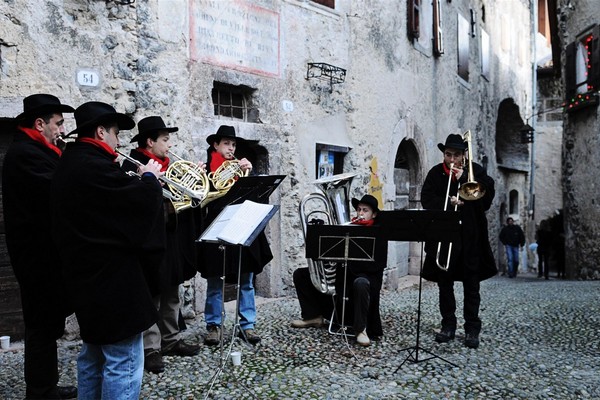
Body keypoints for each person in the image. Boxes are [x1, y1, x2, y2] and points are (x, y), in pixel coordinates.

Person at [51, 102, 164, 399]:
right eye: (115, 134)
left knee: (93, 356)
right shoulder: (92, 166)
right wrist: (150, 178)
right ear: (101, 132)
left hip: (86, 278)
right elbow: (133, 206)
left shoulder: (73, 161)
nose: (118, 142)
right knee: (124, 359)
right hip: (111, 281)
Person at [2, 94, 77, 399]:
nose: (61, 129)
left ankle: (45, 385)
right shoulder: (25, 153)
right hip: (37, 257)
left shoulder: (41, 149)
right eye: (58, 123)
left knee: (47, 325)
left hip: (47, 255)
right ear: (40, 123)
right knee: (41, 326)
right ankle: (40, 390)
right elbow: (56, 190)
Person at [123, 116, 200, 373]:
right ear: (149, 141)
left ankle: (171, 339)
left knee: (172, 292)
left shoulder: (170, 165)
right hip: (149, 241)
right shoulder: (134, 164)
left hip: (172, 238)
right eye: (165, 140)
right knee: (153, 293)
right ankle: (151, 347)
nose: (169, 145)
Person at [420, 133, 496, 349]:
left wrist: (464, 185)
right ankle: (448, 325)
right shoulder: (436, 173)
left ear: (464, 155)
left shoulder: (476, 171)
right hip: (445, 236)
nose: (451, 159)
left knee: (472, 285)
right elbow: (427, 198)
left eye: (456, 155)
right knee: (445, 284)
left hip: (470, 237)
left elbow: (487, 197)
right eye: (448, 154)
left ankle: (472, 329)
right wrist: (448, 203)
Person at [198, 125, 272, 346]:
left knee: (246, 279)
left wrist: (252, 175)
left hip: (242, 225)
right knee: (215, 278)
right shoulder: (206, 169)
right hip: (217, 225)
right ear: (215, 145)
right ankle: (213, 325)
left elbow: (258, 196)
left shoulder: (241, 168)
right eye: (226, 144)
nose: (231, 148)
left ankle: (247, 325)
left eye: (233, 144)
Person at [290, 194, 387, 346]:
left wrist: (348, 261)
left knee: (360, 283)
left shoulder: (379, 232)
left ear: (374, 214)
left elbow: (378, 264)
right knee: (301, 275)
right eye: (359, 209)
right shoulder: (347, 229)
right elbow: (326, 255)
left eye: (365, 210)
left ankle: (361, 329)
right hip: (344, 276)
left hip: (366, 277)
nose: (360, 213)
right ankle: (313, 316)